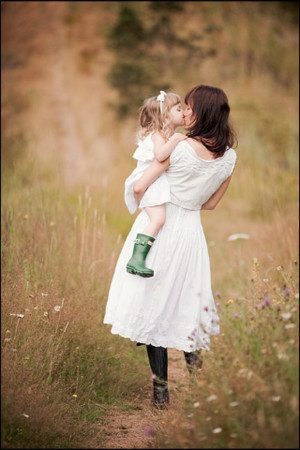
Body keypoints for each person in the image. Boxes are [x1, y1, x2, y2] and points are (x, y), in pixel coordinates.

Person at [104, 84, 237, 409]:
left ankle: (161, 394)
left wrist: (144, 192)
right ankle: (200, 391)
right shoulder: (230, 157)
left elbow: (139, 186)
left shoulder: (177, 146)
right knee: (188, 303)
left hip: (163, 227)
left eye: (190, 107)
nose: (186, 112)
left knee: (155, 304)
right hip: (191, 232)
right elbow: (212, 204)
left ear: (201, 112)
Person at [124, 91, 187, 278]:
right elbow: (160, 156)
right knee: (158, 219)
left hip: (153, 183)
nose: (183, 112)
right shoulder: (159, 136)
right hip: (150, 184)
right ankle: (136, 259)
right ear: (166, 115)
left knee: (158, 219)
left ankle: (138, 259)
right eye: (178, 109)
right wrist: (176, 139)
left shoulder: (162, 135)